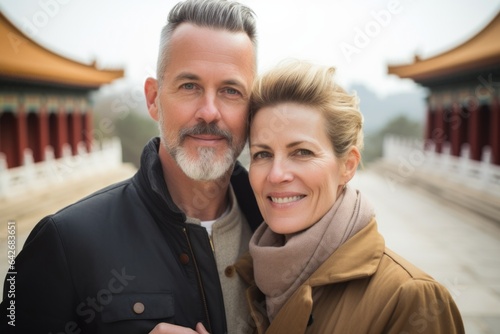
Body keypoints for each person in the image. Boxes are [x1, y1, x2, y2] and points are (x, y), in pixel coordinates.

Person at [0, 0, 262, 333]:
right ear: (153, 98)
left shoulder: (280, 231)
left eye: (230, 90)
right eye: (189, 86)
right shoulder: (66, 242)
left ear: (251, 107)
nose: (209, 111)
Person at [233, 60, 465, 333]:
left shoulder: (409, 298)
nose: (276, 174)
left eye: (302, 152)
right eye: (263, 154)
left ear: (348, 166)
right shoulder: (248, 278)